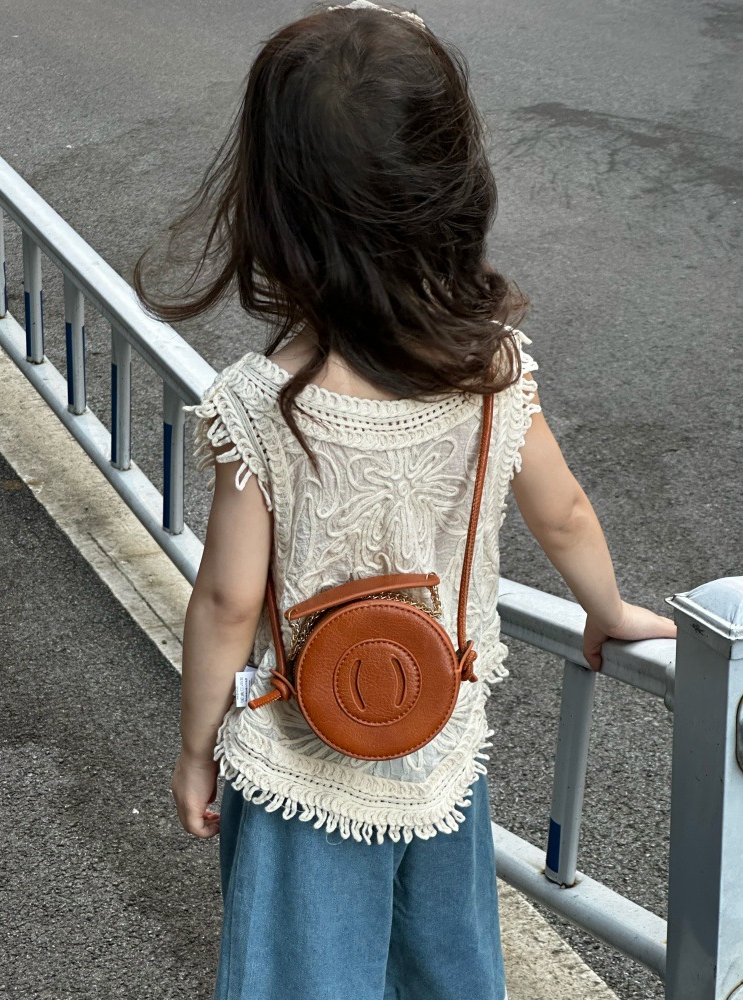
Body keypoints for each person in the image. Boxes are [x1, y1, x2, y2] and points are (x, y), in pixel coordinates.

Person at [134, 3, 677, 998]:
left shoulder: (262, 404)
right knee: (441, 970)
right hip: (435, 741)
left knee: (304, 977)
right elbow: (563, 512)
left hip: (303, 760)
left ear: (276, 209)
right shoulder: (491, 369)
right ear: (451, 187)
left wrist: (195, 748)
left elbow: (226, 600)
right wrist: (608, 610)